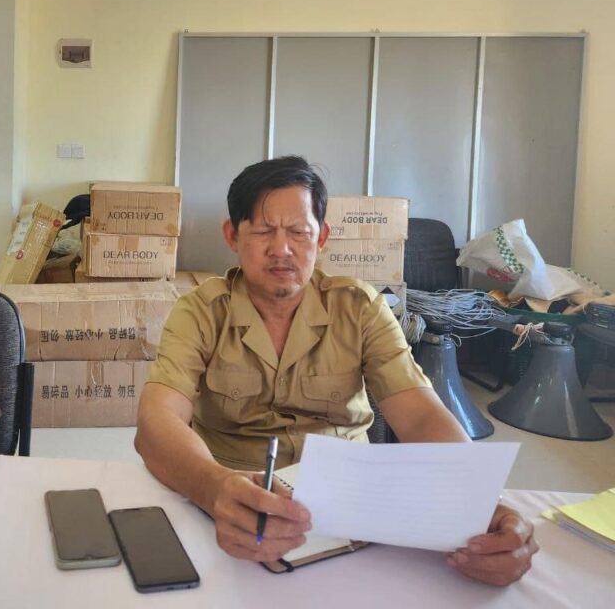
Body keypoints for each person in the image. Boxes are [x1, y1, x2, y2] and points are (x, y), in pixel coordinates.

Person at [135, 156, 537, 586]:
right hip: (232, 507)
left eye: (298, 232)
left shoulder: (360, 309)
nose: (281, 249)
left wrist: (479, 504)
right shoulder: (199, 312)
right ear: (232, 235)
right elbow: (157, 423)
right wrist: (215, 489)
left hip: (350, 512)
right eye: (264, 231)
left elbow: (420, 415)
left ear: (322, 237)